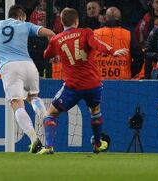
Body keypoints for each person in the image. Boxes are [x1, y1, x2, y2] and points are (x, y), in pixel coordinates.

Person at [0, 5, 54, 153]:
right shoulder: (26, 25)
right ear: (21, 17)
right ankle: (48, 123)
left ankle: (34, 140)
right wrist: (52, 51)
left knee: (17, 103)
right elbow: (50, 33)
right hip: (29, 65)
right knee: (33, 98)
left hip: (10, 67)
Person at [39, 8, 128, 154]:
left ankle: (48, 146)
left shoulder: (56, 39)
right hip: (93, 84)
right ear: (77, 21)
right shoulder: (86, 32)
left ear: (62, 22)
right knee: (95, 112)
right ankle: (97, 144)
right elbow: (97, 44)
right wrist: (113, 51)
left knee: (50, 114)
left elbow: (46, 55)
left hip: (72, 86)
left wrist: (53, 45)